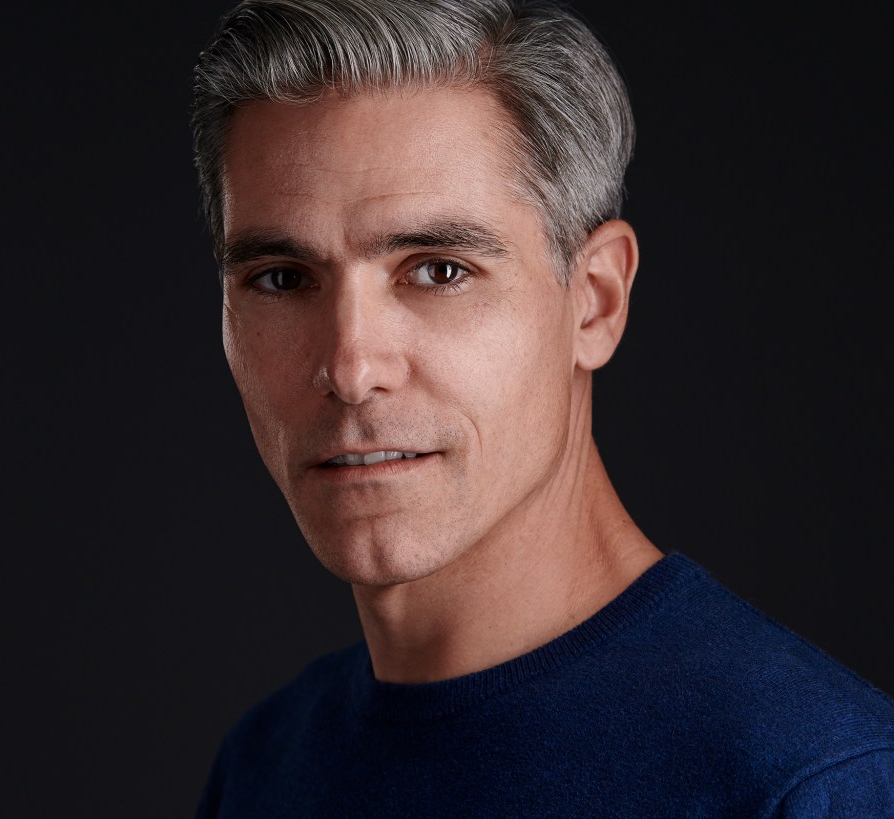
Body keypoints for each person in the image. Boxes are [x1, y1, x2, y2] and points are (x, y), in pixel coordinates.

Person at [190, 1, 894, 814]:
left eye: (439, 270)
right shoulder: (266, 767)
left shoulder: (813, 782)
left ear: (594, 301)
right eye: (281, 278)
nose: (350, 369)